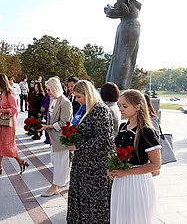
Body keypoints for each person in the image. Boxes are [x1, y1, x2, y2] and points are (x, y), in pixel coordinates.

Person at [109, 89, 161, 224]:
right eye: (120, 105)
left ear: (138, 106)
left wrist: (127, 171)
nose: (120, 109)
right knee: (122, 216)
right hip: (121, 181)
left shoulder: (146, 131)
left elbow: (156, 164)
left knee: (135, 217)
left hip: (137, 182)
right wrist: (112, 169)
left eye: (125, 106)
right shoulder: (122, 127)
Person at [66, 80, 115, 223]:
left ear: (88, 94)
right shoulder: (85, 109)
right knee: (81, 197)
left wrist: (78, 146)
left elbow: (104, 139)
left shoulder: (100, 110)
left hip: (96, 166)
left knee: (94, 201)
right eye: (75, 96)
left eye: (79, 96)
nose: (76, 100)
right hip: (83, 163)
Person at [0, 73, 29, 176]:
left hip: (9, 124)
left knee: (8, 146)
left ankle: (19, 162)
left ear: (1, 82)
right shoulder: (2, 94)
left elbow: (14, 109)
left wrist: (1, 110)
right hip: (3, 123)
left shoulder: (10, 94)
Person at [38, 77, 72, 197]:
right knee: (56, 161)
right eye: (47, 90)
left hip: (61, 138)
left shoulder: (65, 102)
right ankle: (60, 184)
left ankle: (55, 186)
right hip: (54, 138)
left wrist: (49, 126)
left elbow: (65, 122)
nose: (47, 92)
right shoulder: (53, 100)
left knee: (60, 163)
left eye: (49, 89)